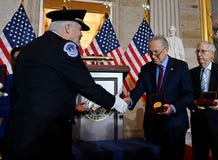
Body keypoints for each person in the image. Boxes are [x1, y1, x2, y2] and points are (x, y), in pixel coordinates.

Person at [3, 7, 129, 160]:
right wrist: (120, 104)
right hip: (46, 138)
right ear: (68, 28)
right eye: (79, 29)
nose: (81, 34)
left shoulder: (29, 49)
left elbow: (43, 93)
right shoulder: (63, 48)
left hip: (19, 135)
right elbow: (86, 85)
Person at [127, 35, 193, 160]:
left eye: (156, 52)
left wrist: (173, 107)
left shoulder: (181, 67)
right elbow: (138, 90)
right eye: (150, 52)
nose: (152, 56)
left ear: (166, 50)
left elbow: (188, 95)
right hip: (153, 125)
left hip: (174, 124)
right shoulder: (146, 69)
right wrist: (129, 101)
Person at [189, 41, 218, 160]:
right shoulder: (191, 73)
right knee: (199, 155)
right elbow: (187, 96)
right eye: (198, 51)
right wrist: (194, 103)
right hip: (198, 122)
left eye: (203, 51)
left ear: (212, 54)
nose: (199, 54)